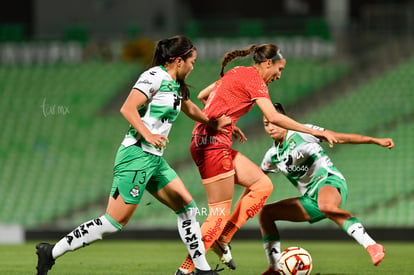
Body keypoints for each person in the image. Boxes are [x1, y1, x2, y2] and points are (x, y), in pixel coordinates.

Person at [35, 35, 231, 275]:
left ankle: (200, 270)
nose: (193, 67)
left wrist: (212, 123)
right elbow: (127, 108)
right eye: (192, 62)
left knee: (188, 208)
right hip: (136, 155)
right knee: (113, 223)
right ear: (179, 61)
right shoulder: (154, 76)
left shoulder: (175, 84)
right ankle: (51, 252)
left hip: (154, 159)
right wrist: (148, 134)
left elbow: (189, 107)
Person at [176, 44, 338, 275]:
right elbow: (273, 116)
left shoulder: (238, 71)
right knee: (218, 214)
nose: (279, 76)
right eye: (279, 69)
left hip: (206, 142)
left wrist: (227, 124)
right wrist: (314, 132)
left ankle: (223, 238)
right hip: (213, 147)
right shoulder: (255, 81)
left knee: (262, 185)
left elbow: (204, 96)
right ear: (268, 63)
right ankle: (185, 270)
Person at [258, 103, 394, 275]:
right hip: (310, 199)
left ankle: (371, 245)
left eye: (274, 122)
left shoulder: (303, 132)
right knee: (266, 213)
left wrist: (375, 140)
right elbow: (255, 183)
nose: (270, 127)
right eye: (266, 124)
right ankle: (274, 268)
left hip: (329, 181)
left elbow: (339, 137)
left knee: (326, 206)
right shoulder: (272, 155)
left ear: (284, 120)